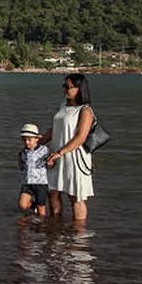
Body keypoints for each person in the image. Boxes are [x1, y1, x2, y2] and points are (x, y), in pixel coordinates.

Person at [45, 73, 95, 222]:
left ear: (79, 88)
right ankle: (55, 225)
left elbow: (81, 137)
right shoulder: (63, 106)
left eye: (68, 87)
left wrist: (60, 153)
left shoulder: (85, 110)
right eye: (64, 86)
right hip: (56, 155)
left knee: (75, 196)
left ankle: (79, 236)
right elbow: (54, 129)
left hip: (74, 157)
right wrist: (38, 142)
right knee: (52, 191)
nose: (64, 89)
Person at [17, 123, 50, 217]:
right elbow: (22, 166)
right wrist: (19, 161)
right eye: (24, 140)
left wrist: (51, 162)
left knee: (41, 210)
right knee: (22, 205)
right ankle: (33, 206)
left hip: (41, 183)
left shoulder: (44, 150)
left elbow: (51, 162)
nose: (27, 142)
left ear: (37, 139)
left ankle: (42, 227)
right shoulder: (23, 152)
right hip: (27, 182)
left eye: (29, 139)